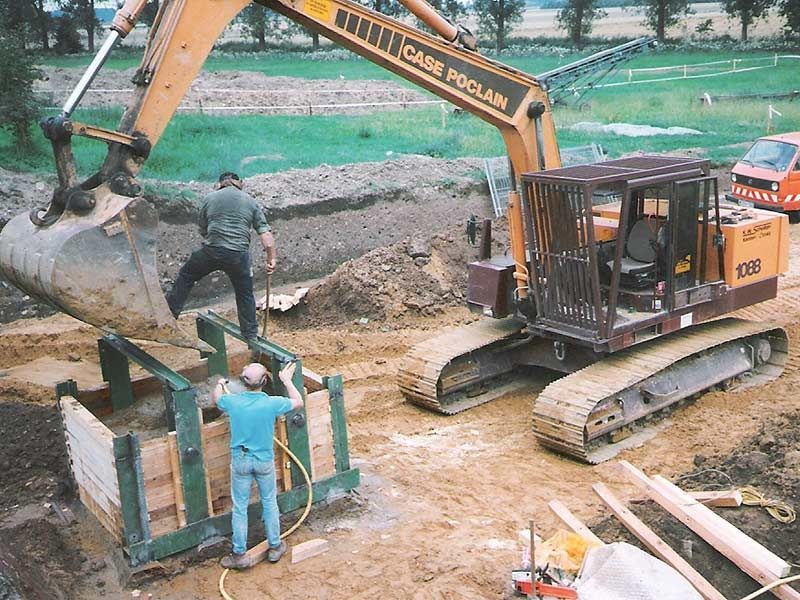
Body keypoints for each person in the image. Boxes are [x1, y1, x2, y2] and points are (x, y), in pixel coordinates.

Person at [211, 361, 303, 569]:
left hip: (241, 461)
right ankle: (275, 546)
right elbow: (298, 401)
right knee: (269, 501)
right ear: (264, 382)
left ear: (243, 383)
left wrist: (219, 383)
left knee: (240, 508)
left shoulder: (233, 402)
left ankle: (239, 555)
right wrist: (286, 381)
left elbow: (217, 399)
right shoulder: (271, 403)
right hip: (263, 461)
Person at [166, 171, 275, 344]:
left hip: (211, 251)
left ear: (219, 184)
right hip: (238, 256)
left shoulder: (210, 198)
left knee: (186, 276)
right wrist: (271, 260)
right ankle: (251, 335)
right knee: (245, 293)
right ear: (241, 183)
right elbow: (267, 238)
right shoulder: (250, 202)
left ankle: (169, 318)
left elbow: (203, 228)